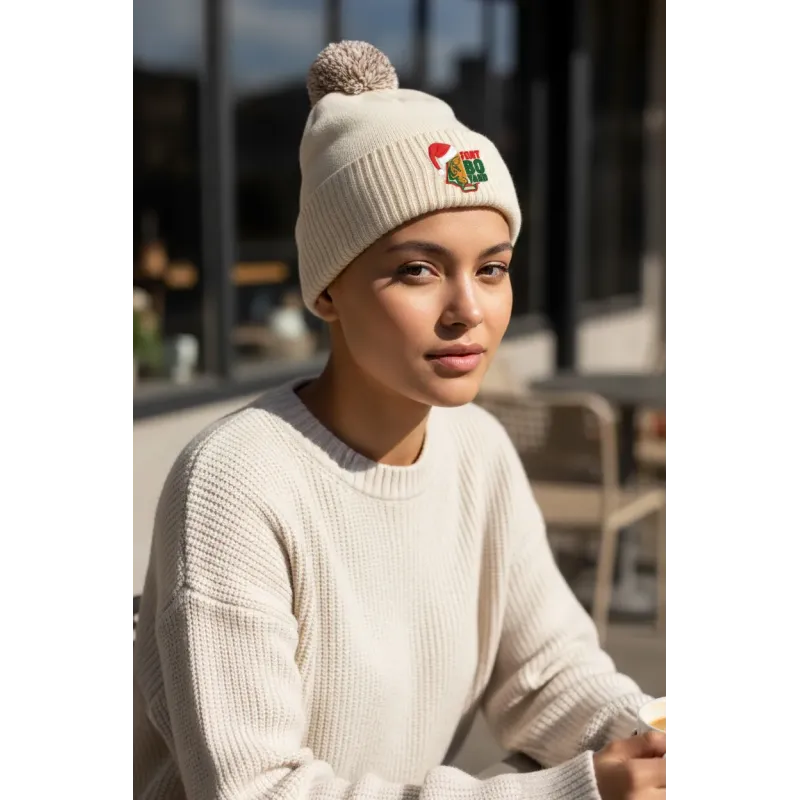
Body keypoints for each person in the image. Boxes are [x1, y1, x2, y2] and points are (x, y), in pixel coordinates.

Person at [132, 41, 667, 800]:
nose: (469, 312)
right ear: (327, 292)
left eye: (492, 267)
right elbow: (260, 790)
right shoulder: (234, 483)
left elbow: (547, 674)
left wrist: (648, 741)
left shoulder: (477, 449)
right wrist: (565, 792)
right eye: (419, 269)